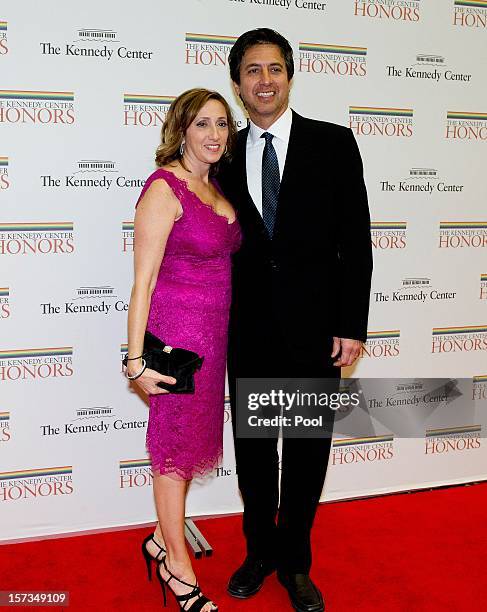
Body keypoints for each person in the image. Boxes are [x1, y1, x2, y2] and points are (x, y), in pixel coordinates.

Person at [219, 29, 373, 612]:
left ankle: (296, 563)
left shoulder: (333, 144)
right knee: (257, 452)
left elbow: (355, 242)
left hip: (316, 331)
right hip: (249, 331)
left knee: (308, 450)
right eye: (253, 70)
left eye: (275, 68)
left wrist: (352, 325)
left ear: (290, 75)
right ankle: (259, 552)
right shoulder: (223, 150)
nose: (265, 80)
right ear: (237, 83)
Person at [125, 88, 240, 612]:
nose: (214, 134)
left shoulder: (213, 185)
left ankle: (159, 536)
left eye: (221, 124)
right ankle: (177, 565)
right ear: (182, 130)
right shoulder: (164, 189)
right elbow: (142, 283)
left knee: (189, 447)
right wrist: (135, 362)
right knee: (173, 454)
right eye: (202, 125)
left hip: (212, 341)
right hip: (176, 344)